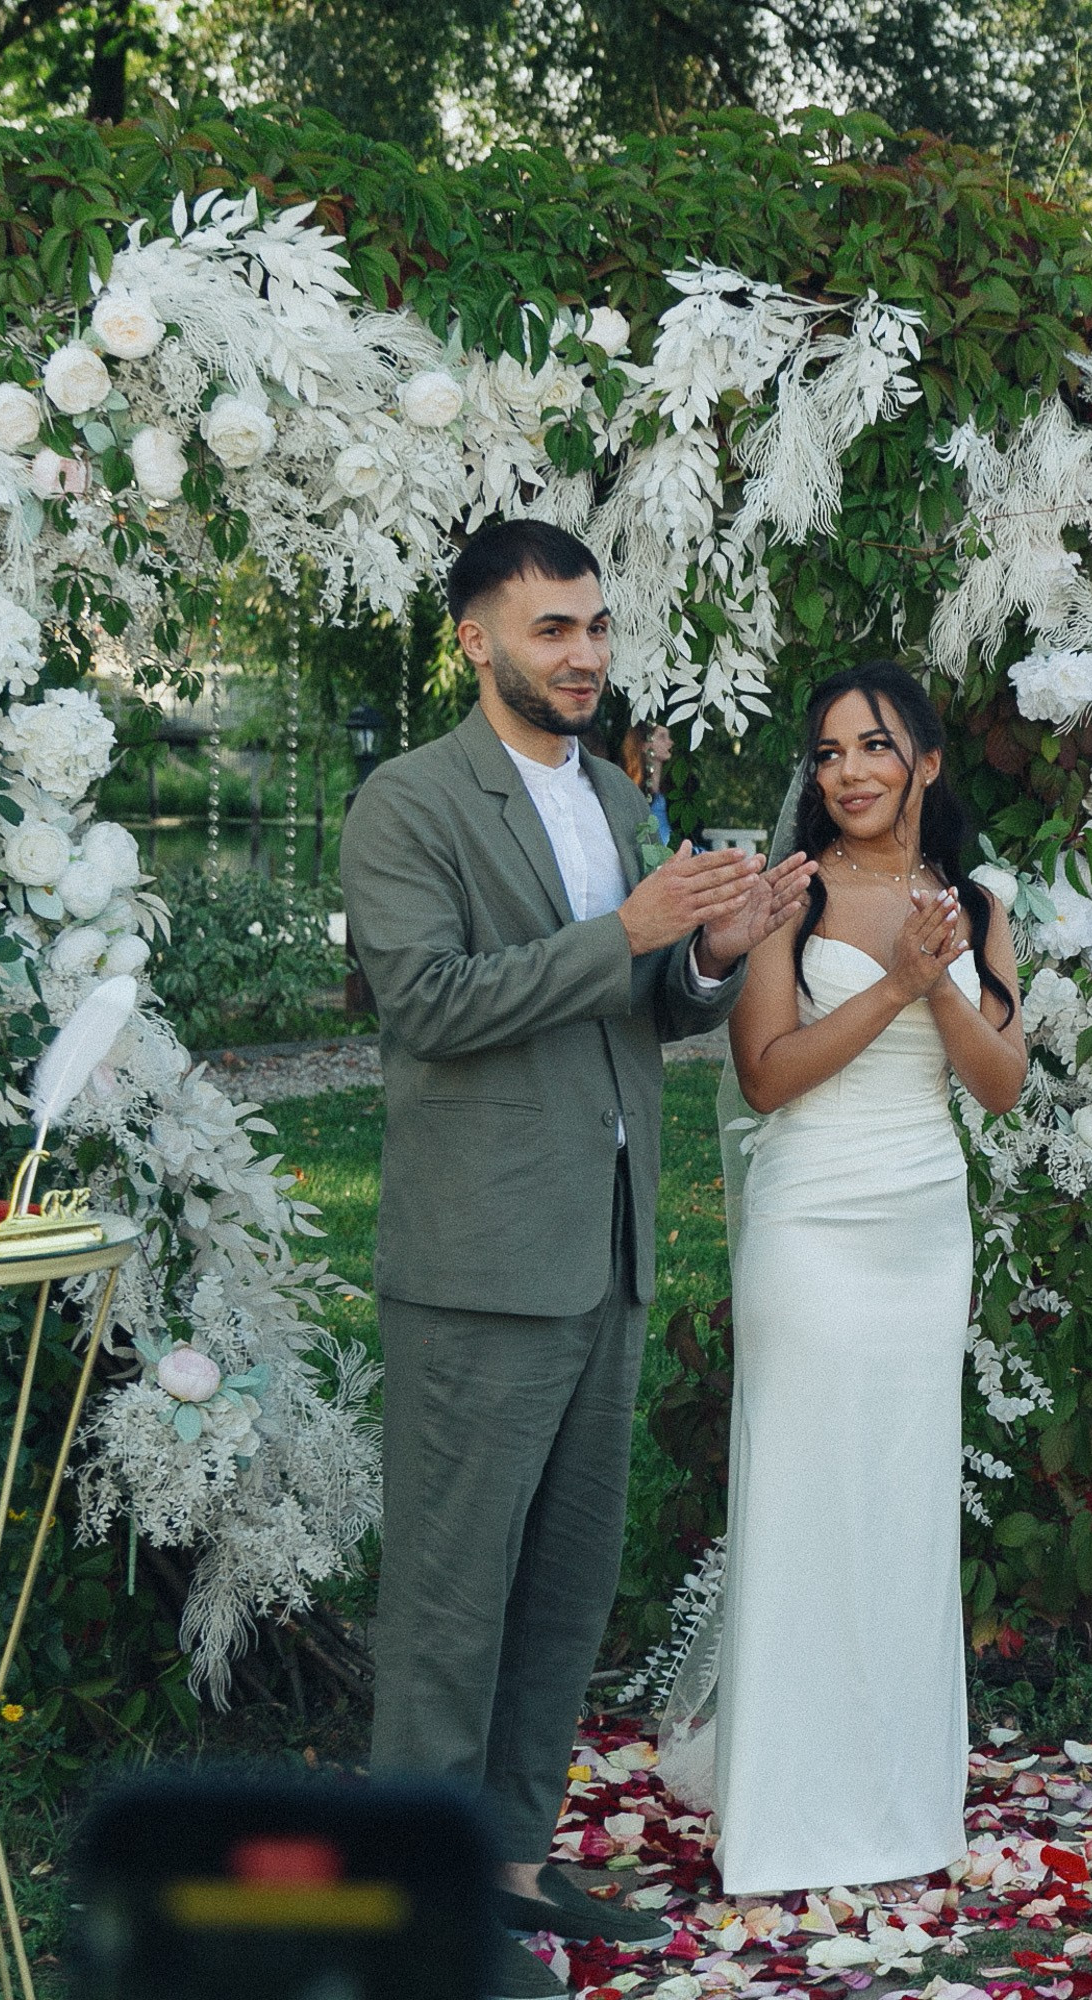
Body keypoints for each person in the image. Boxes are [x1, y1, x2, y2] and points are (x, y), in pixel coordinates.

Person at [341, 518, 812, 2000]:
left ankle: (513, 1865)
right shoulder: (407, 802)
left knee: (561, 1586)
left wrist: (720, 951)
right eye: (553, 629)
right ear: (477, 640)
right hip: (477, 1259)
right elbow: (428, 1004)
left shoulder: (620, 794)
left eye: (596, 626)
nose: (586, 654)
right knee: (445, 1600)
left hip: (604, 1250)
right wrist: (627, 928)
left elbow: (646, 1005)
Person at [697, 660, 1025, 1896]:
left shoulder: (979, 905)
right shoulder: (789, 895)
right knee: (801, 1494)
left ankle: (896, 1800)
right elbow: (767, 1074)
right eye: (828, 752)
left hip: (921, 1229)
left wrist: (936, 974)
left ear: (927, 763)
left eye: (875, 747)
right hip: (810, 1220)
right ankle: (784, 1813)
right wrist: (894, 978)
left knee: (899, 1498)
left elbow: (998, 1085)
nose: (850, 772)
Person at [622, 720, 675, 851]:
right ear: (645, 745)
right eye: (662, 737)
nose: (670, 742)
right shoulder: (630, 790)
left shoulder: (671, 788)